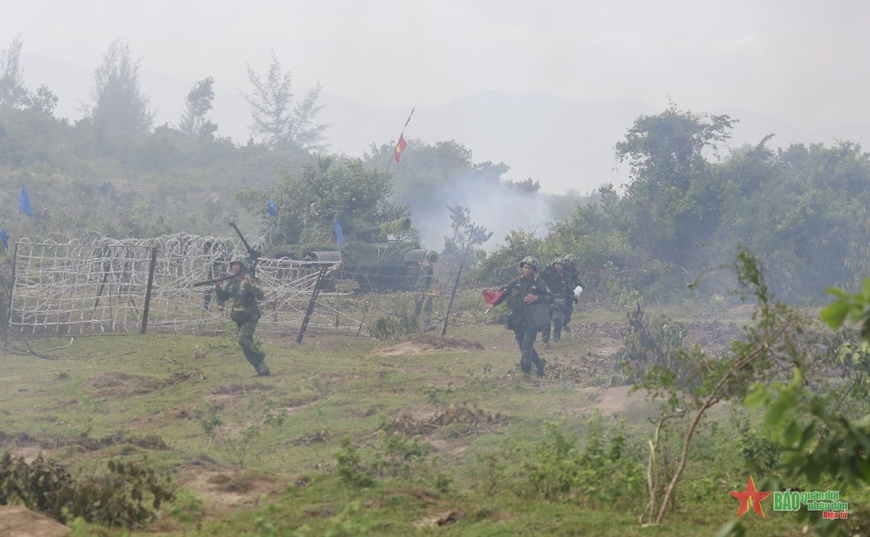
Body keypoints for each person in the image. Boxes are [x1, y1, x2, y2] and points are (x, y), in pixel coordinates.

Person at [490, 256, 553, 377]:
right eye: (525, 267)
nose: (527, 270)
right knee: (522, 345)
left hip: (533, 320)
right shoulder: (516, 282)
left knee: (527, 344)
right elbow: (504, 293)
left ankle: (526, 369)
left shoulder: (540, 284)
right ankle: (539, 362)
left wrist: (537, 297)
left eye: (530, 268)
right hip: (517, 319)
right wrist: (493, 302)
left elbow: (551, 297)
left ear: (534, 270)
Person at [215, 257, 270, 376]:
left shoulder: (249, 279)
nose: (234, 267)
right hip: (239, 316)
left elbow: (260, 295)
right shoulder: (232, 281)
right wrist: (218, 287)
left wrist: (251, 284)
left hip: (250, 315)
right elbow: (224, 297)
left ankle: (260, 355)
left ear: (242, 266)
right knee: (246, 347)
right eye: (232, 265)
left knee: (242, 340)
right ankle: (262, 370)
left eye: (236, 265)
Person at [539, 256, 571, 346]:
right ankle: (546, 340)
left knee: (557, 319)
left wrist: (571, 296)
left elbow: (568, 288)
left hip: (559, 300)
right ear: (553, 265)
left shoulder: (565, 275)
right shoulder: (547, 273)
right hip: (547, 299)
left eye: (561, 265)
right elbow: (539, 280)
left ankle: (556, 333)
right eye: (557, 264)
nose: (559, 266)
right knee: (546, 321)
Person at [561, 254, 584, 333]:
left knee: (568, 311)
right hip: (559, 292)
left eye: (571, 263)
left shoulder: (573, 271)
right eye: (568, 262)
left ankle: (565, 324)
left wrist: (579, 288)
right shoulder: (559, 268)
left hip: (569, 292)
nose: (569, 264)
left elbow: (577, 281)